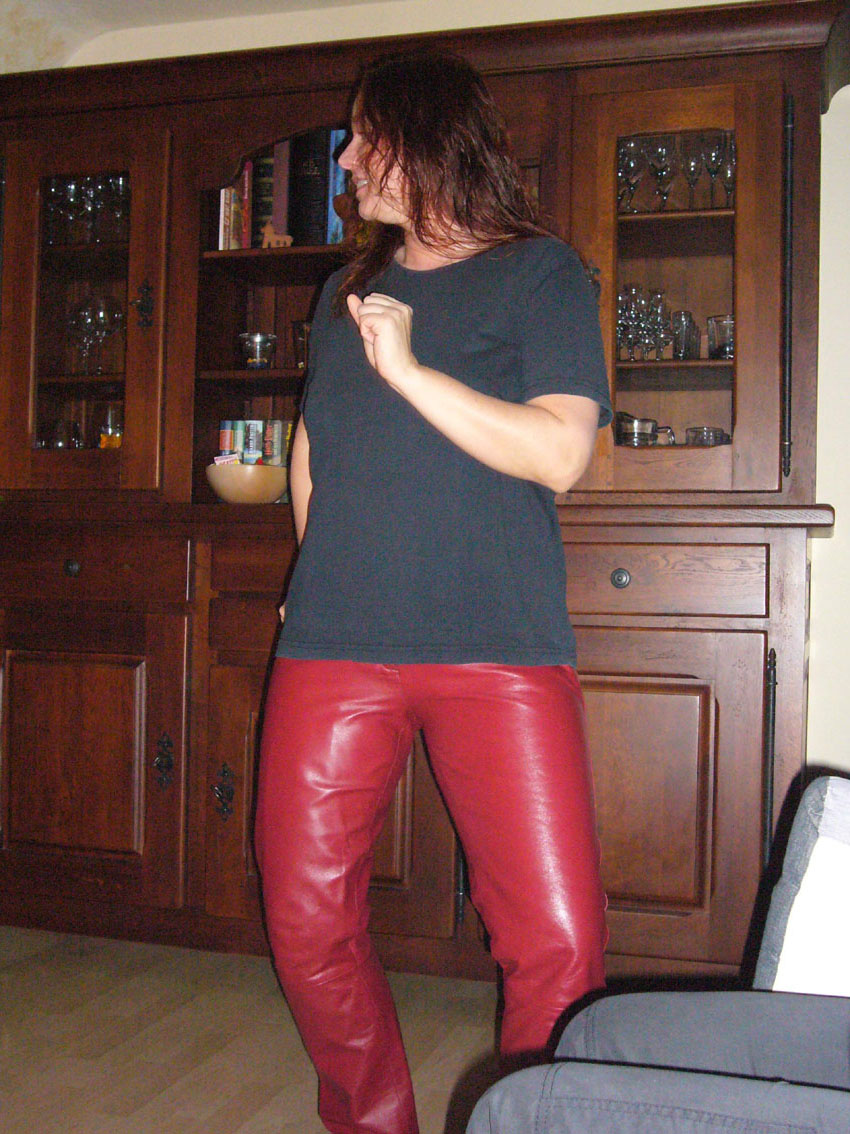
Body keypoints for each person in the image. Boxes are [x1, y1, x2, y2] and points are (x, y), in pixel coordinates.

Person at [254, 51, 612, 1134]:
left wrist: (410, 372)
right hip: (334, 642)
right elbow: (314, 451)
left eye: (364, 136)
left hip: (497, 647)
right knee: (306, 923)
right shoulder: (343, 294)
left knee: (555, 941)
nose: (345, 159)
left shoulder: (540, 274)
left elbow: (558, 452)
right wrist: (313, 573)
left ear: (426, 139)